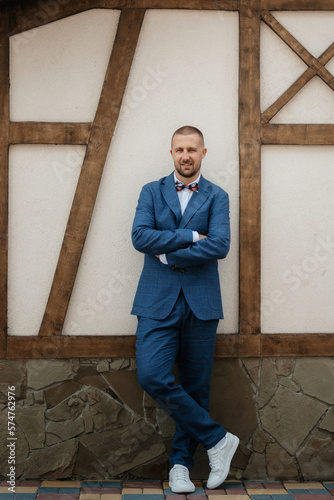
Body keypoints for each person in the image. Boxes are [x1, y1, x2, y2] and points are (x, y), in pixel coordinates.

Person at [131, 126, 239, 493]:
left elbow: (221, 245)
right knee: (152, 375)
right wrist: (192, 236)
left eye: (192, 149)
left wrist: (167, 252)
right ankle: (219, 439)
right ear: (171, 152)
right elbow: (140, 237)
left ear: (203, 153)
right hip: (155, 300)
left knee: (196, 387)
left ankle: (180, 465)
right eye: (179, 149)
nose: (185, 155)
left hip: (202, 301)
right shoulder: (151, 191)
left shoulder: (217, 196)